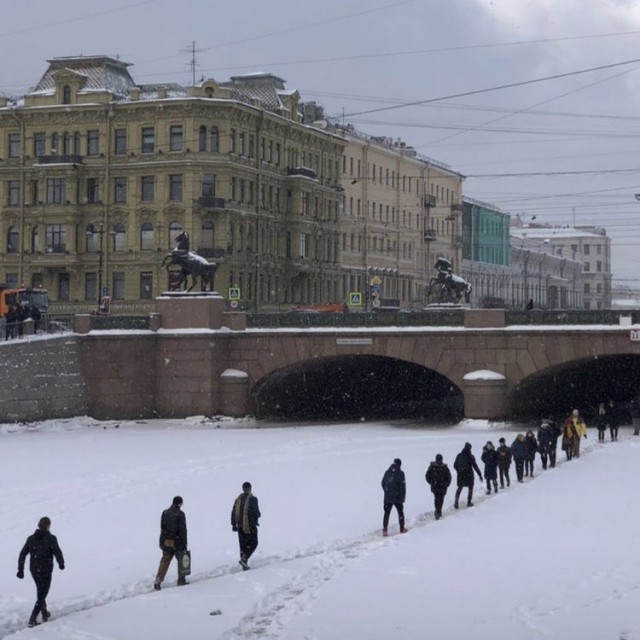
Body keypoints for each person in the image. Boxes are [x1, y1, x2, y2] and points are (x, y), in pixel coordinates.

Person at [17, 516, 65, 628]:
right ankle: (32, 619)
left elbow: (22, 554)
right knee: (43, 593)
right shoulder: (51, 538)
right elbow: (57, 552)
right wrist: (61, 563)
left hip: (34, 570)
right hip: (46, 570)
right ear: (48, 526)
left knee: (40, 590)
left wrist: (20, 570)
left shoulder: (31, 538)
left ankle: (44, 613)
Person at [154, 496, 188, 590]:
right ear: (179, 503)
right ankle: (181, 580)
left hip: (166, 542)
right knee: (182, 561)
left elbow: (162, 527)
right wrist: (184, 543)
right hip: (177, 542)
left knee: (164, 561)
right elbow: (182, 530)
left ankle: (158, 580)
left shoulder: (165, 513)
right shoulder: (180, 514)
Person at [231, 481, 261, 570]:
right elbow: (256, 513)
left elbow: (233, 513)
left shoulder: (238, 500)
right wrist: (258, 516)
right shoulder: (253, 499)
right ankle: (244, 559)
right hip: (250, 526)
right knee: (254, 543)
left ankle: (244, 564)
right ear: (250, 488)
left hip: (240, 526)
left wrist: (233, 525)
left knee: (243, 546)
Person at [453, 443, 482, 508]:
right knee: (470, 488)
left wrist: (459, 471)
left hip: (461, 475)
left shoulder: (459, 455)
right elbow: (475, 466)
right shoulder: (471, 456)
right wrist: (480, 474)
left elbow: (454, 465)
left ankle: (456, 502)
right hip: (469, 475)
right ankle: (469, 502)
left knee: (459, 488)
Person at [425, 454, 452, 520]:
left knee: (437, 499)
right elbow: (449, 477)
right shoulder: (444, 467)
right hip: (441, 486)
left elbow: (427, 476)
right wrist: (447, 484)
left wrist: (431, 482)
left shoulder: (432, 467)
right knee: (440, 499)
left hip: (436, 486)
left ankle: (437, 511)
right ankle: (438, 511)